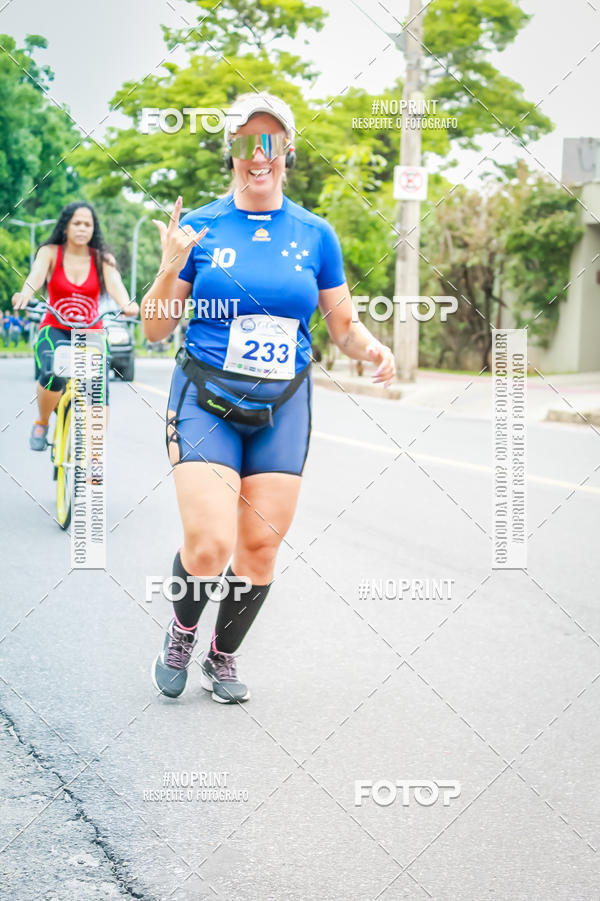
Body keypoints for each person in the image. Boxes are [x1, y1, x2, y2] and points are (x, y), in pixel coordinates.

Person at [142, 92, 395, 704]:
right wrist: (168, 265)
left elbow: (341, 326)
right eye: (245, 142)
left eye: (270, 141)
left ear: (286, 149)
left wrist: (373, 350)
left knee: (258, 549)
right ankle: (181, 632)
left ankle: (221, 656)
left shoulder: (316, 234)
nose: (258, 155)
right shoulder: (199, 226)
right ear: (231, 151)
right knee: (210, 544)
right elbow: (153, 327)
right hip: (206, 396)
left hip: (283, 404)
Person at [12, 202, 139, 450]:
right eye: (77, 223)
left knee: (98, 390)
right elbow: (35, 277)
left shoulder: (103, 259)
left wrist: (128, 304)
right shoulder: (50, 253)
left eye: (88, 224)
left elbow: (117, 287)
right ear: (66, 226)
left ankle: (93, 452)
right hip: (55, 328)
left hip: (91, 332)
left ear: (94, 229)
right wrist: (24, 294)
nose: (82, 228)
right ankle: (42, 421)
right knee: (52, 372)